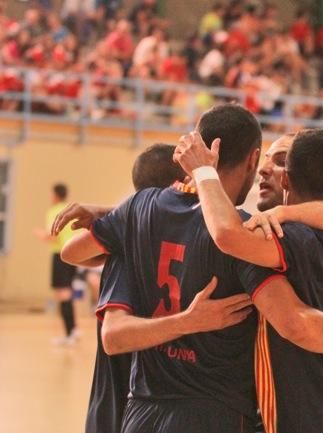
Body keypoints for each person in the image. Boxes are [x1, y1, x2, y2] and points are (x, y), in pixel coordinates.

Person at [59, 105, 323, 433]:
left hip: (141, 409)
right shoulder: (245, 237)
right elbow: (294, 321)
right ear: (252, 159)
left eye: (281, 160)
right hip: (216, 411)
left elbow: (72, 252)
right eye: (267, 159)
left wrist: (118, 216)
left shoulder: (139, 213)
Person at [173, 128, 323, 433]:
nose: (266, 168)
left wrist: (203, 172)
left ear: (287, 179)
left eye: (280, 160)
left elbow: (227, 235)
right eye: (266, 158)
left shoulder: (279, 237)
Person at [85, 143, 186, 433]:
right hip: (124, 406)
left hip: (146, 407)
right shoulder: (129, 248)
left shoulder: (172, 239)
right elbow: (115, 336)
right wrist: (191, 321)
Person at [34, 183, 78, 345]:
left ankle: (69, 334)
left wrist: (40, 235)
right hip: (72, 255)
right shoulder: (70, 209)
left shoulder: (54, 211)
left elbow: (53, 236)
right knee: (67, 292)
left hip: (60, 255)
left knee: (62, 293)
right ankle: (73, 329)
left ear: (55, 195)